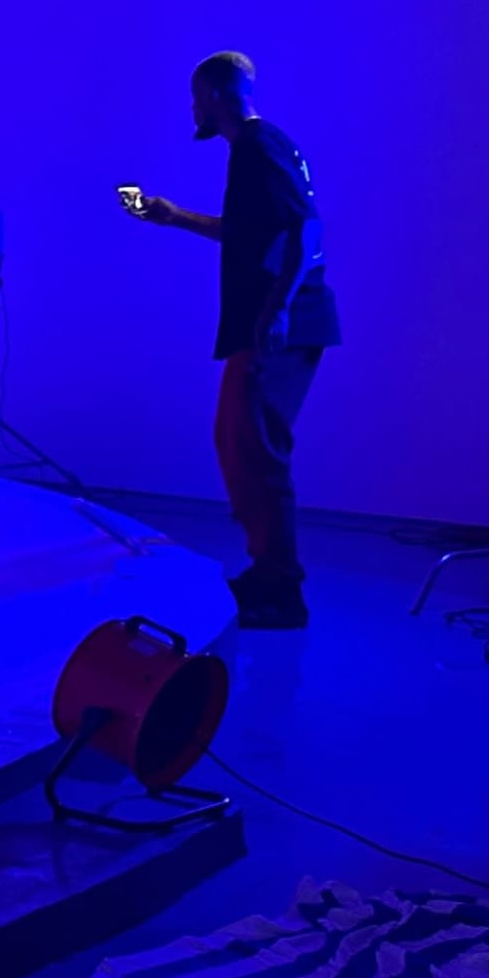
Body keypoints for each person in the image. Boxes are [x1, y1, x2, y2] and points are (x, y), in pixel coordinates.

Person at [120, 51, 341, 630]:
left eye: (196, 96)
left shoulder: (256, 145)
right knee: (239, 443)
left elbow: (305, 226)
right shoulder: (259, 149)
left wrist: (278, 311)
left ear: (216, 95)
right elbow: (253, 231)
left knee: (255, 451)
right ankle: (269, 574)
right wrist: (174, 217)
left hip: (280, 324)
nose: (192, 108)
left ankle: (281, 591)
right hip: (275, 320)